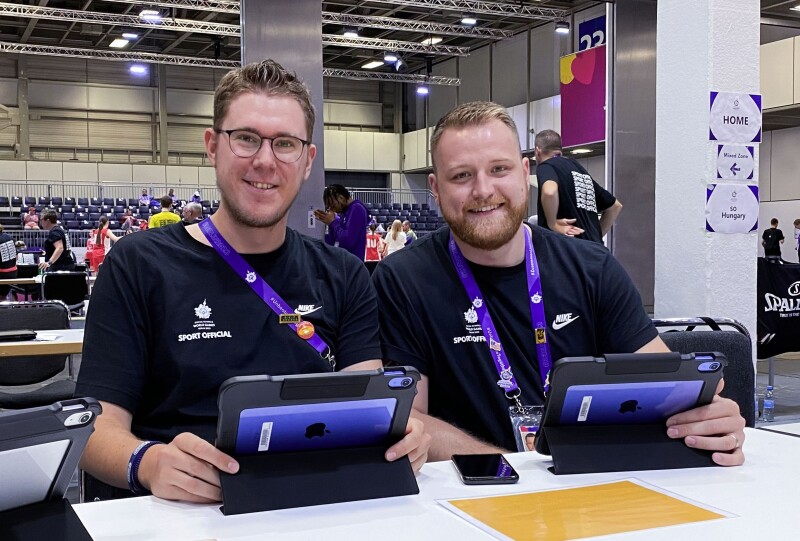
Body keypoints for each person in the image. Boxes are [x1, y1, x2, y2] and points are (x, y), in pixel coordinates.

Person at [75, 58, 428, 504]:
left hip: (312, 505)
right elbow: (94, 428)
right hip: (183, 512)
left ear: (307, 160)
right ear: (213, 146)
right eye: (245, 139)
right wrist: (149, 462)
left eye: (284, 144)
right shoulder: (138, 264)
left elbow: (367, 409)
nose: (265, 161)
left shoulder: (344, 274)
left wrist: (399, 436)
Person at [372, 101, 744, 466]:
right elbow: (410, 420)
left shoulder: (592, 268)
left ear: (524, 173)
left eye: (499, 168)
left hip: (586, 485)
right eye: (461, 176)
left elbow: (670, 390)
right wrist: (516, 471)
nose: (483, 190)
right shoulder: (402, 279)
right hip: (471, 494)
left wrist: (709, 418)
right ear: (435, 188)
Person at [534, 130, 622, 243]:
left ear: (537, 151)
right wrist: (595, 237)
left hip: (570, 253)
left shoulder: (546, 166)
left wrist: (553, 224)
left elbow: (549, 192)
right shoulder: (578, 169)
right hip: (598, 254)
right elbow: (615, 206)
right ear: (560, 150)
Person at [314, 185, 369, 261]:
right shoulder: (344, 212)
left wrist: (332, 222)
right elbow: (334, 241)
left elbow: (349, 241)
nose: (331, 208)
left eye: (332, 204)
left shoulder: (356, 209)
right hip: (342, 262)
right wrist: (330, 223)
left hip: (352, 265)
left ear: (341, 198)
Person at [0, 224, 18, 298]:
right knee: (2, 295)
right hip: (13, 273)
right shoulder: (9, 237)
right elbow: (16, 257)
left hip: (2, 274)